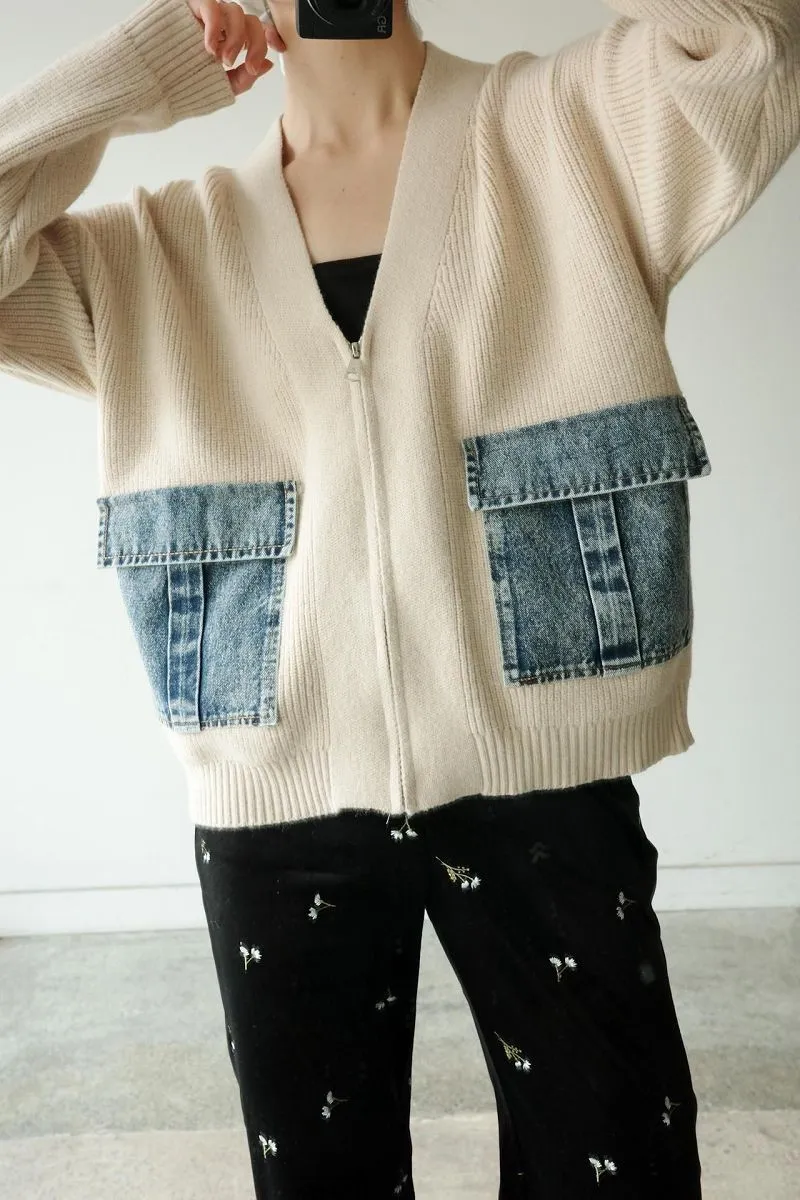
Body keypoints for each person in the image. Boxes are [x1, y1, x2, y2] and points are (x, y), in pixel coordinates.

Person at [1, 0, 798, 1195]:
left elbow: (753, 41)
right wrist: (140, 70)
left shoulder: (578, 130)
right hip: (277, 810)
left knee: (619, 1164)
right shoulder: (157, 250)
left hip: (544, 779)